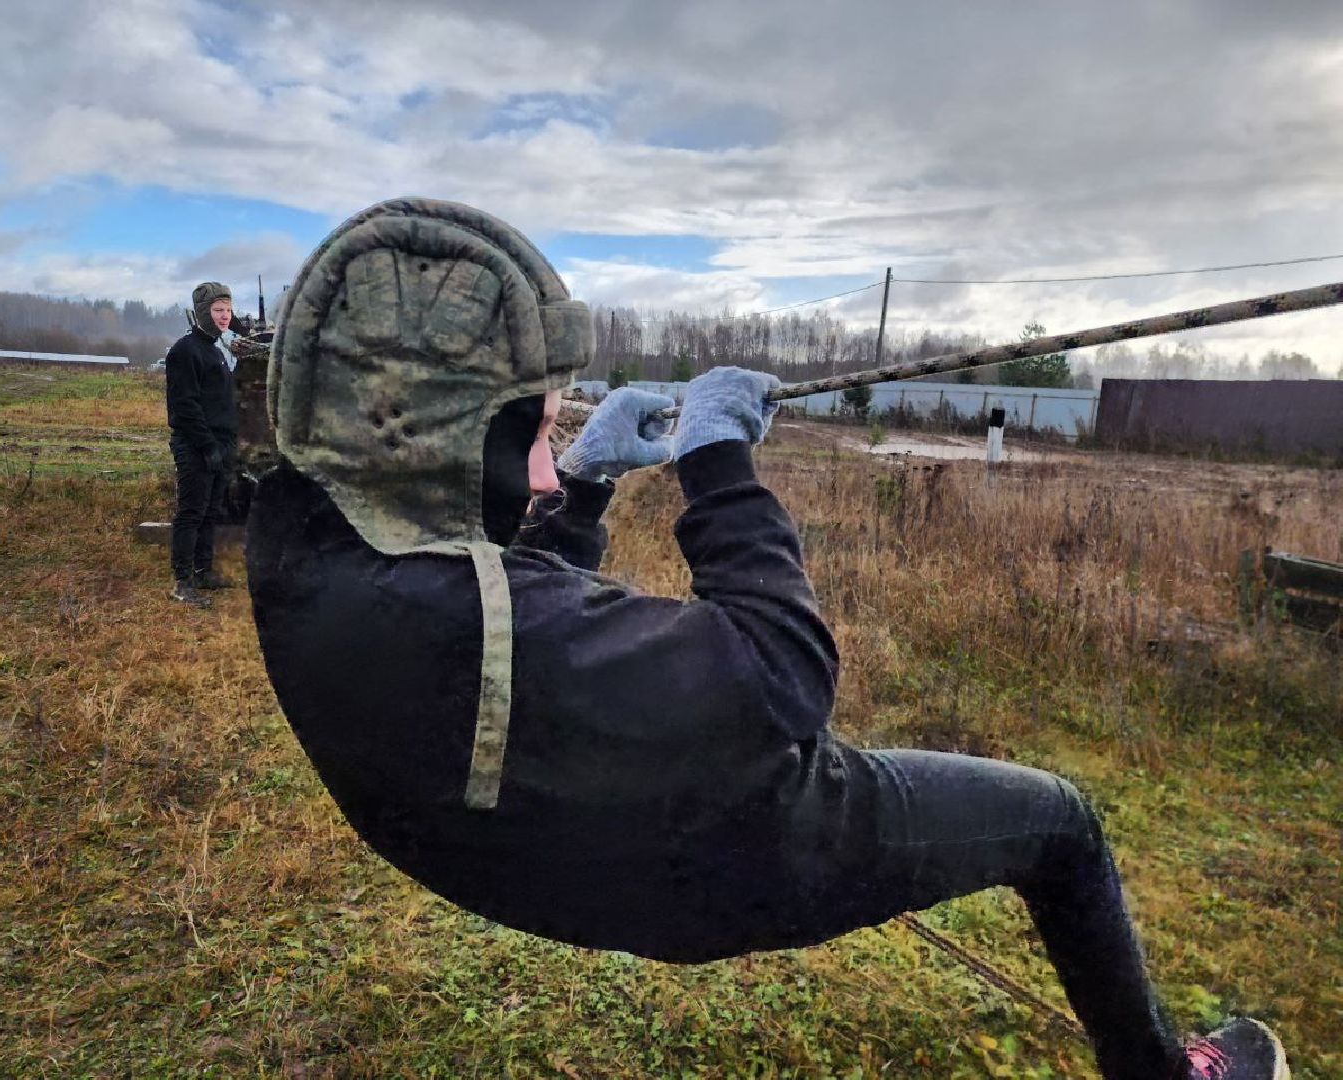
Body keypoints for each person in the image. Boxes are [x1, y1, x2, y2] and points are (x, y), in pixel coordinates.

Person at [245, 199, 1288, 1080]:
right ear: (428, 435)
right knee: (1062, 825)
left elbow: (506, 639)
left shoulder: (312, 557)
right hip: (736, 850)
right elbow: (783, 681)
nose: (547, 474)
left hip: (558, 851)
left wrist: (592, 484)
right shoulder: (450, 616)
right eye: (535, 434)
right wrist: (720, 469)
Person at [164, 281, 239, 608]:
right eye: (218, 310)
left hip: (219, 445)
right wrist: (207, 446)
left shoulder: (216, 350)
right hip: (196, 446)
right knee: (192, 513)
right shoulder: (185, 351)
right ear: (202, 312)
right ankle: (182, 583)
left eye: (228, 309)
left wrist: (224, 446)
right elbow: (186, 406)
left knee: (211, 512)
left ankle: (203, 571)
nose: (225, 316)